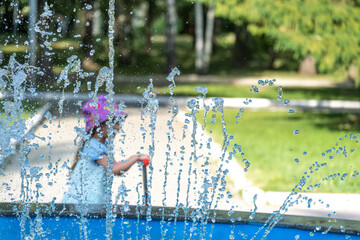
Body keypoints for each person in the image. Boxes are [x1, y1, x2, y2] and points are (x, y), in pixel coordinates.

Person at [62, 94, 150, 205]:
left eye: (118, 123)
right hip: (83, 202)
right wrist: (135, 158)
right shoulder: (94, 146)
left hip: (89, 202)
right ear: (99, 124)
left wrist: (134, 159)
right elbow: (113, 169)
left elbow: (116, 165)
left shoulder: (101, 144)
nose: (118, 127)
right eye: (113, 123)